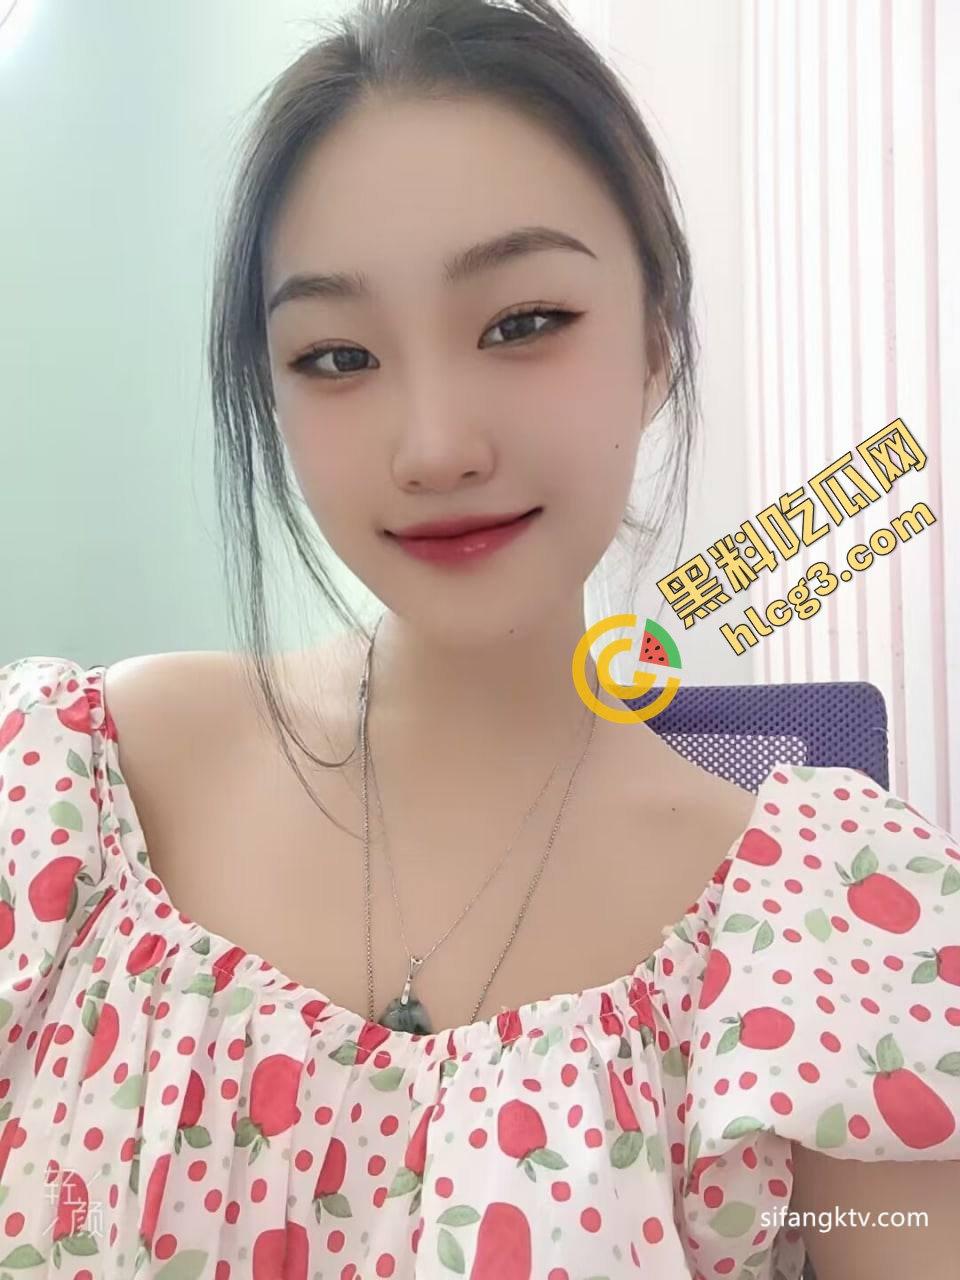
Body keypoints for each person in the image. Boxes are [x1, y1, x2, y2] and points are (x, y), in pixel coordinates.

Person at [1, 1, 957, 1276]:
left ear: (658, 339)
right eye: (337, 354)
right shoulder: (72, 790)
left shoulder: (830, 928)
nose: (435, 444)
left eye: (523, 322)